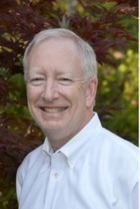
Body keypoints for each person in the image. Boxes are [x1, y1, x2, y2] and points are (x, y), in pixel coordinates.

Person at [16, 28, 138, 209]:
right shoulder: (27, 171)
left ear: (90, 91)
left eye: (64, 79)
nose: (49, 94)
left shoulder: (132, 170)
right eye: (37, 79)